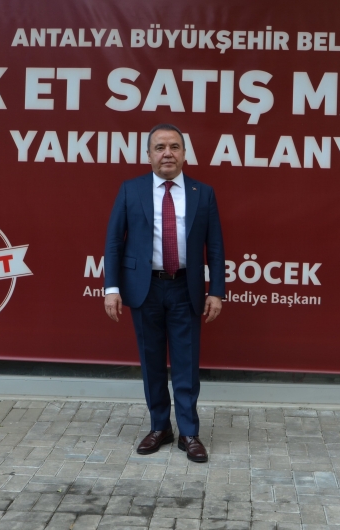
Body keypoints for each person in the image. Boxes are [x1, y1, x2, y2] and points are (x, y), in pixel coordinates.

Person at [103, 123, 225, 463]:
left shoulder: (203, 193)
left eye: (174, 146)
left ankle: (189, 433)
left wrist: (216, 290)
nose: (167, 153)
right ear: (149, 155)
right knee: (152, 363)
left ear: (184, 154)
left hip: (186, 288)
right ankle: (160, 427)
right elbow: (113, 243)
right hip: (146, 289)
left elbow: (215, 247)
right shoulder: (131, 190)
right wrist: (111, 288)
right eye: (160, 147)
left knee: (186, 364)